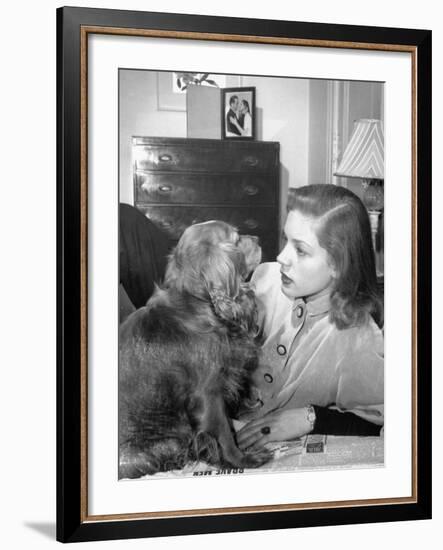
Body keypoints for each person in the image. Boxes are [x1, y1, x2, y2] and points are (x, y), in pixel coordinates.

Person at [237, 184, 384, 451]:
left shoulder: (358, 335)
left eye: (300, 250)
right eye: (285, 240)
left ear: (339, 264)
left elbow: (379, 420)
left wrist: (311, 417)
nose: (281, 257)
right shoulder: (266, 278)